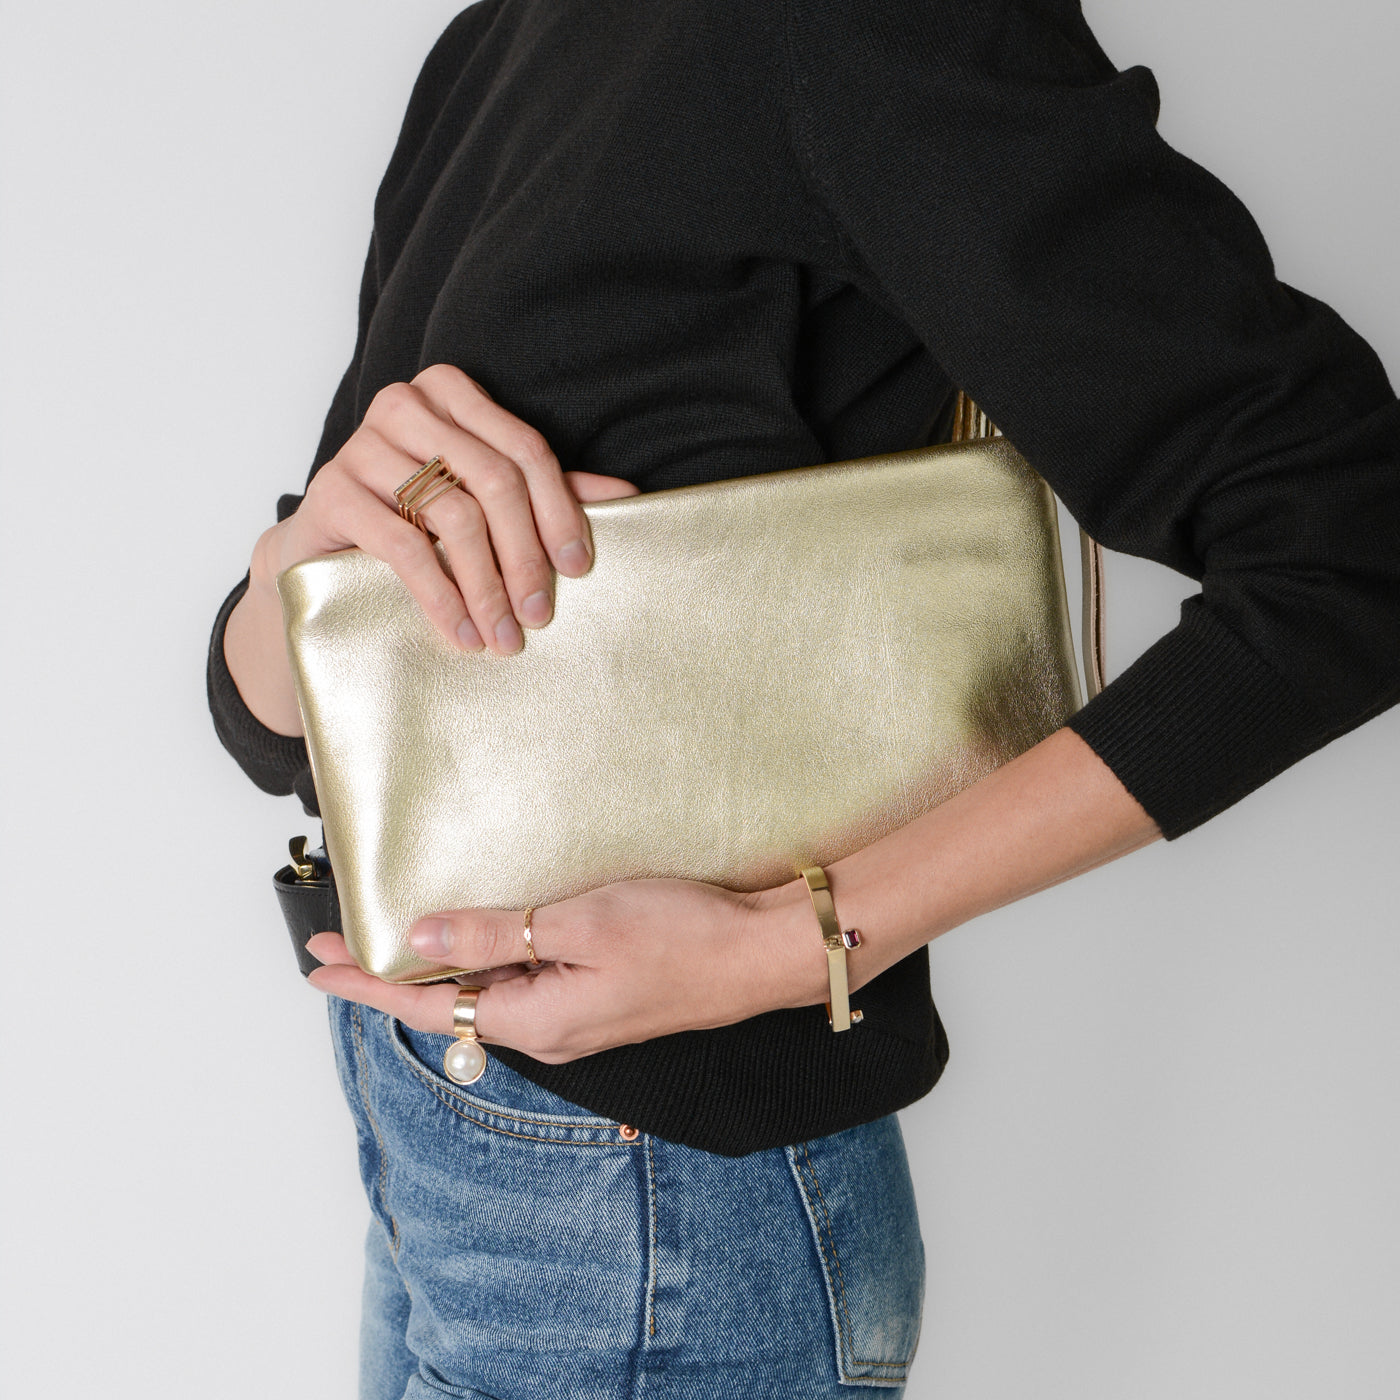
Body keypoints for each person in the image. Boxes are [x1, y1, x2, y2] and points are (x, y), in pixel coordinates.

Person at [208, 0, 1400, 1395]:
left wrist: (793, 946)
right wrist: (291, 581)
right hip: (439, 1116)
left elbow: (1352, 542)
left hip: (648, 1209)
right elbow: (284, 722)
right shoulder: (499, 35)